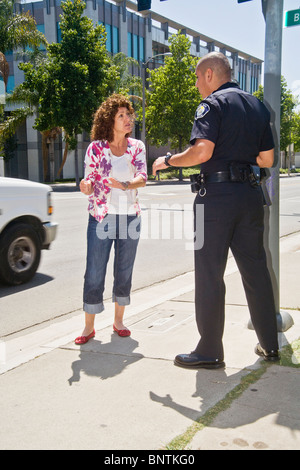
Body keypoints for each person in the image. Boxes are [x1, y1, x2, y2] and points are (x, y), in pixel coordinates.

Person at [152, 52, 279, 369]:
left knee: (210, 274)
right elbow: (266, 160)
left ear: (209, 74)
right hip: (250, 196)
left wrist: (167, 161)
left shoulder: (212, 105)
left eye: (197, 77)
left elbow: (202, 150)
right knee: (256, 271)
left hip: (215, 200)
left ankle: (210, 350)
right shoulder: (257, 106)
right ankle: (269, 344)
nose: (196, 84)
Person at [75, 94, 147, 345]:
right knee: (94, 272)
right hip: (101, 218)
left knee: (124, 271)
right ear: (110, 120)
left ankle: (118, 322)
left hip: (130, 218)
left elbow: (142, 177)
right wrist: (85, 187)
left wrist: (125, 184)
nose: (128, 119)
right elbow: (88, 184)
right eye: (121, 116)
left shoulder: (137, 147)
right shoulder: (96, 148)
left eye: (129, 114)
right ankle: (88, 327)